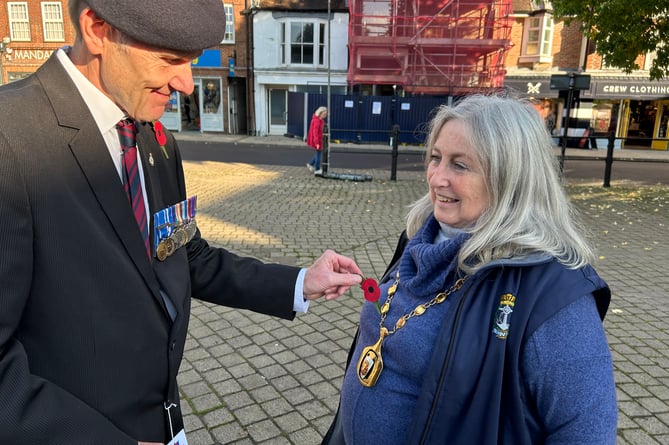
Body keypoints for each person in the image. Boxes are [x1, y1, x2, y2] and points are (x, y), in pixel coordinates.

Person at [0, 1, 362, 444]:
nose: (187, 84)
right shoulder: (10, 138)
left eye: (190, 62)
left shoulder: (155, 138)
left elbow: (185, 256)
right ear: (97, 29)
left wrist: (301, 281)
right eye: (170, 60)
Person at [323, 95, 617, 444]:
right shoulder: (418, 239)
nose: (437, 178)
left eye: (460, 165)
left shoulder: (553, 293)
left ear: (510, 177)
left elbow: (587, 431)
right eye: (436, 158)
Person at [306, 106, 327, 175]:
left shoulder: (320, 120)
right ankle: (317, 169)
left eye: (325, 114)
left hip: (319, 140)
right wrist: (317, 143)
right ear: (320, 113)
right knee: (318, 155)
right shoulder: (317, 121)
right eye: (324, 114)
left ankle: (310, 164)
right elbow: (315, 133)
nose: (325, 116)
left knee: (318, 154)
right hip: (317, 140)